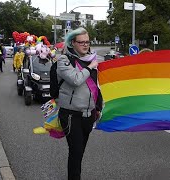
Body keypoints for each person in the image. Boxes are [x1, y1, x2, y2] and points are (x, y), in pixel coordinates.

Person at [56, 27, 103, 180]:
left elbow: (96, 86)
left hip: (88, 115)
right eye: (81, 42)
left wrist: (98, 107)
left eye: (87, 42)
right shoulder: (64, 60)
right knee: (75, 151)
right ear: (72, 43)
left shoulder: (92, 60)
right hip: (71, 114)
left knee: (80, 151)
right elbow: (75, 79)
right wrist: (90, 67)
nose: (85, 45)